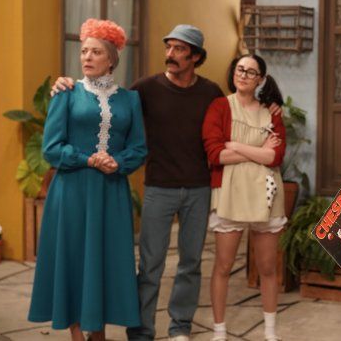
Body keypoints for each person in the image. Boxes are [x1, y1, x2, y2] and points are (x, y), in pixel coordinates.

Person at [51, 25, 281, 341]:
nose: (170, 54)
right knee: (150, 265)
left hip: (199, 188)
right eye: (168, 47)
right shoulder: (144, 89)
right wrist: (66, 85)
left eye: (179, 49)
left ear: (195, 57)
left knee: (190, 263)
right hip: (158, 187)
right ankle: (141, 331)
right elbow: (108, 104)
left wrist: (271, 107)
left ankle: (180, 327)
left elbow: (239, 113)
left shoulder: (211, 93)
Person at [28, 19, 147, 341]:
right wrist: (88, 159)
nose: (87, 57)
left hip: (111, 192)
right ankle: (77, 335)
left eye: (95, 52)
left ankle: (100, 334)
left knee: (105, 262)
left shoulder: (130, 100)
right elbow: (51, 149)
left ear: (111, 59)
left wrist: (118, 162)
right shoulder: (66, 94)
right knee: (74, 260)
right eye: (83, 51)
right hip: (72, 191)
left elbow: (139, 148)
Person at [202, 54, 286, 341]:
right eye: (240, 69)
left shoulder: (272, 112)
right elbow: (215, 154)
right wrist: (259, 150)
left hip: (266, 194)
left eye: (251, 72)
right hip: (230, 193)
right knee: (223, 266)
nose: (244, 75)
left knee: (267, 267)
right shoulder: (219, 107)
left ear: (260, 79)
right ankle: (219, 331)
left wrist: (236, 146)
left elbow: (275, 156)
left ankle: (270, 332)